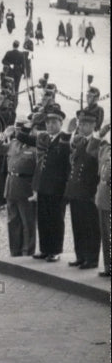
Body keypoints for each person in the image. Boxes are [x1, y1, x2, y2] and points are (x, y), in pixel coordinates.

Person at [17, 105, 71, 262]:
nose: (50, 125)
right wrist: (30, 123)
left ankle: (55, 251)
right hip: (42, 185)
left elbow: (66, 165)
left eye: (54, 122)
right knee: (43, 219)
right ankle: (45, 249)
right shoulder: (43, 138)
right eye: (48, 123)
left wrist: (66, 189)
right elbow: (22, 137)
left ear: (61, 123)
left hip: (57, 187)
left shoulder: (65, 140)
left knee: (56, 220)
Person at [0, 118, 38, 257]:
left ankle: (27, 252)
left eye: (21, 130)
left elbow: (38, 170)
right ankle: (15, 251)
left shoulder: (34, 147)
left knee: (27, 223)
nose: (18, 133)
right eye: (16, 130)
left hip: (26, 187)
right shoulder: (13, 144)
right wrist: (3, 135)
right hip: (11, 185)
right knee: (13, 222)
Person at [64, 109, 101, 269]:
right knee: (77, 225)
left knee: (90, 227)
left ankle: (91, 258)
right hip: (76, 191)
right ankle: (80, 255)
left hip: (89, 192)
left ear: (93, 125)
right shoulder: (78, 141)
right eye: (81, 123)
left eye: (86, 124)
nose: (82, 126)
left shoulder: (98, 144)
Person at [86, 123, 111, 278]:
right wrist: (100, 133)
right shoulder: (105, 149)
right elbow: (90, 149)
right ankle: (109, 266)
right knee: (107, 233)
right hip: (104, 196)